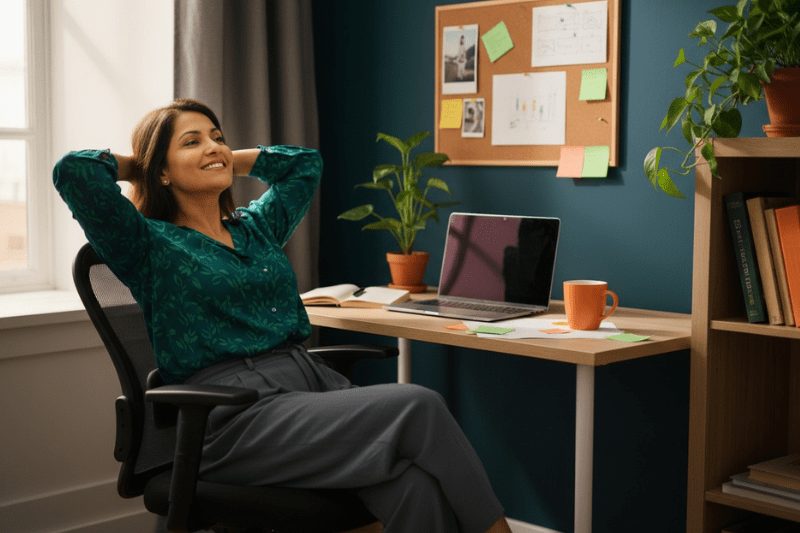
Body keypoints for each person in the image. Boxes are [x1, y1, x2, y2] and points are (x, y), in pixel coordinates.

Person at [53, 98, 512, 533]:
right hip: (233, 417)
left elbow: (303, 165)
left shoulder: (255, 227)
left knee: (414, 485)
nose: (213, 146)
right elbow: (74, 172)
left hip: (310, 390)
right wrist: (144, 164)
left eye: (217, 137)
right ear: (162, 172)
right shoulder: (147, 244)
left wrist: (222, 157)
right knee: (419, 404)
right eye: (191, 141)